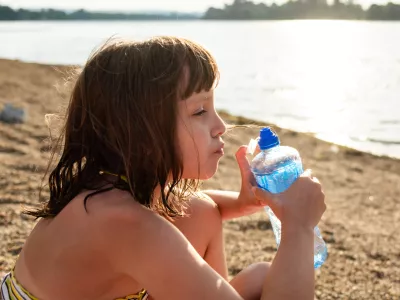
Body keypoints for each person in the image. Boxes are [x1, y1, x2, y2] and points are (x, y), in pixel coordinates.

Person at [0, 36, 326, 300]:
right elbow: (144, 228)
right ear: (142, 134)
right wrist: (297, 227)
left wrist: (242, 204)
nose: (221, 126)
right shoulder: (132, 228)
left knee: (209, 218)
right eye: (200, 112)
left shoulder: (105, 189)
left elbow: (194, 205)